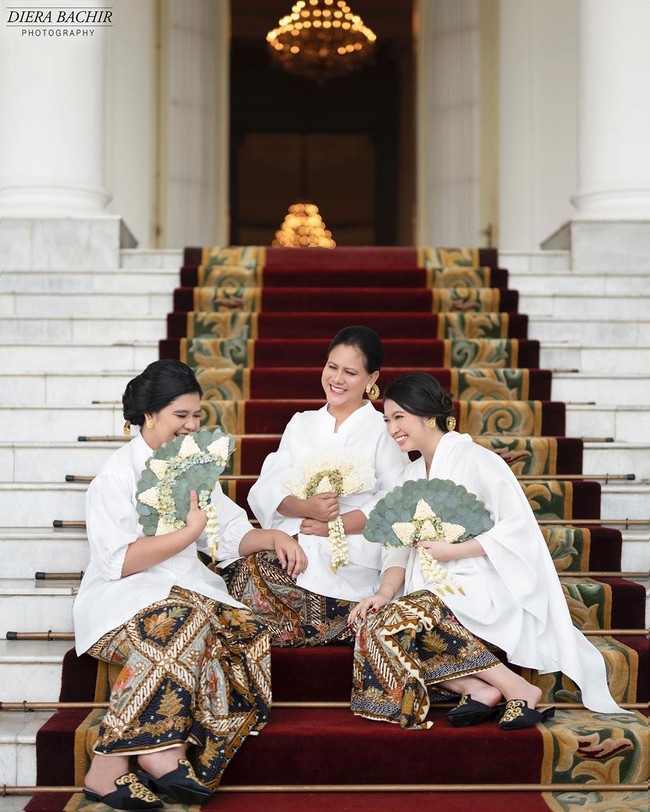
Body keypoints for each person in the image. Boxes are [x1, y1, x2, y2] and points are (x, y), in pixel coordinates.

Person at [73, 360, 298, 809]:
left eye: (197, 415)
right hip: (123, 602)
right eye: (182, 416)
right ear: (149, 415)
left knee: (246, 632)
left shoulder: (193, 469)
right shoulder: (115, 478)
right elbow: (119, 562)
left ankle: (161, 751)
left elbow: (231, 534)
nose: (192, 425)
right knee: (185, 623)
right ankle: (141, 759)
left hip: (190, 593)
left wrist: (271, 536)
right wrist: (187, 534)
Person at [349, 372, 625, 730]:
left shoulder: (477, 460)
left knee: (399, 623)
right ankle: (479, 689)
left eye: (399, 417)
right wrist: (384, 592)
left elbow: (518, 529)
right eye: (387, 420)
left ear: (428, 415)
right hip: (424, 589)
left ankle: (519, 689)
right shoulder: (410, 475)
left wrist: (456, 550)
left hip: (475, 582)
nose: (391, 429)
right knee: (374, 623)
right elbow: (397, 547)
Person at [218, 325, 406, 645]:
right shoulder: (301, 422)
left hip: (349, 554)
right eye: (332, 367)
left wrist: (336, 525)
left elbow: (396, 502)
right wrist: (306, 508)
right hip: (297, 544)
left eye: (350, 372)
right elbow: (267, 487)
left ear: (372, 379)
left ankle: (326, 620)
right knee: (238, 575)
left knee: (253, 601)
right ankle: (323, 623)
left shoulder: (382, 428)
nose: (337, 379)